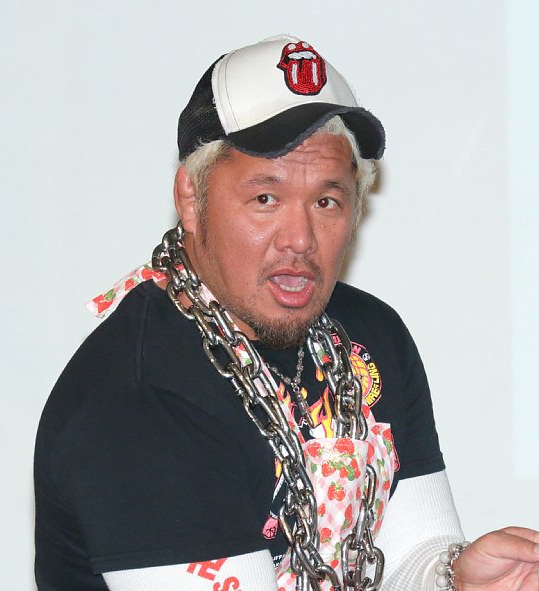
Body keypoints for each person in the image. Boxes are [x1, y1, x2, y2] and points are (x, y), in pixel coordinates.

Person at [34, 34, 539, 591]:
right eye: (265, 199)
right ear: (191, 200)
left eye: (326, 201)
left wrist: (453, 579)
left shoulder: (372, 336)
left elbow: (410, 551)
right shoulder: (141, 398)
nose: (300, 239)